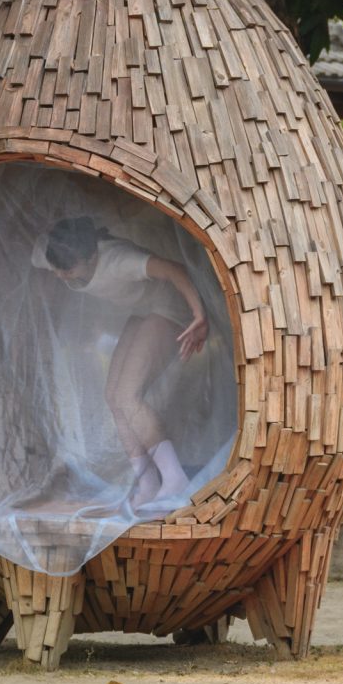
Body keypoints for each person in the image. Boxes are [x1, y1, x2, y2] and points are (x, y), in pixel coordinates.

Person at [32, 216, 212, 508]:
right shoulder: (54, 252)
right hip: (142, 310)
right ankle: (148, 481)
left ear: (91, 257)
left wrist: (199, 316)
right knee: (113, 398)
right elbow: (34, 239)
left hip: (169, 307)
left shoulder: (118, 259)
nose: (62, 276)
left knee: (128, 396)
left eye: (69, 269)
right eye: (57, 269)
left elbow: (173, 269)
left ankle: (174, 477)